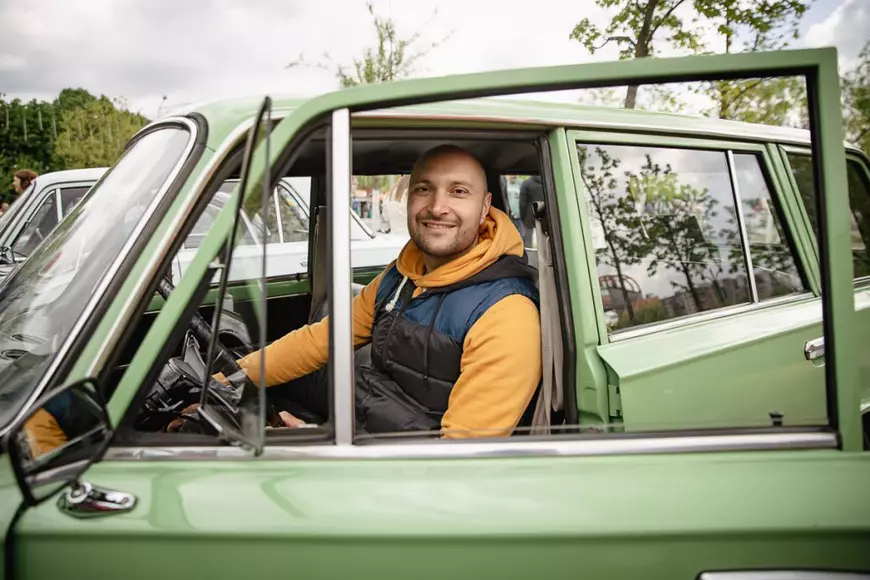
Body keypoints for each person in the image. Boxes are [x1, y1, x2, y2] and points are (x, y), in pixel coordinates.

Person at [192, 145, 542, 439]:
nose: (437, 207)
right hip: (367, 431)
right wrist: (223, 382)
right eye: (424, 189)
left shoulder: (507, 314)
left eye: (459, 191)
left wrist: (317, 449)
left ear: (485, 207)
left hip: (403, 476)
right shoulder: (401, 275)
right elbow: (319, 340)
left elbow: (455, 463)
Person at [519, 175, 544, 247]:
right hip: (542, 216)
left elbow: (522, 203)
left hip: (528, 217)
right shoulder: (546, 183)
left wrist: (522, 217)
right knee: (542, 241)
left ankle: (528, 253)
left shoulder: (526, 184)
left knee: (527, 241)